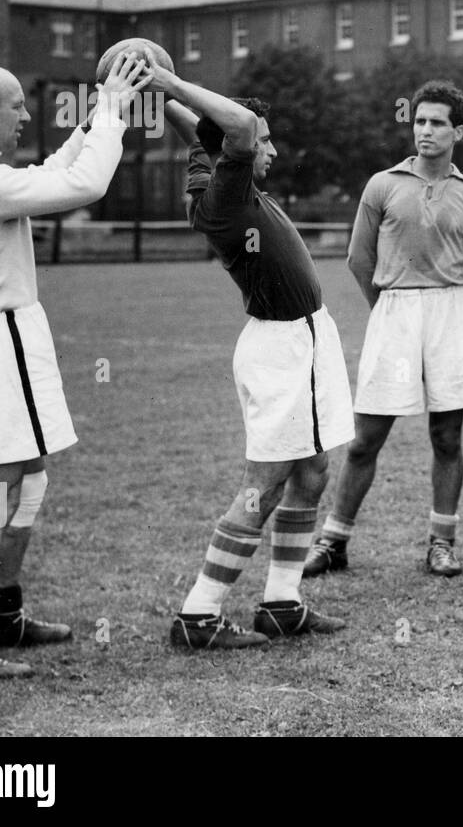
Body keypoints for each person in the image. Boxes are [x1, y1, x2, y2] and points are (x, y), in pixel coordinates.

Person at [0, 55, 150, 680]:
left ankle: (1, 613)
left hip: (3, 338)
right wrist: (109, 111)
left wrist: (100, 112)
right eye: (18, 105)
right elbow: (83, 187)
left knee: (29, 478)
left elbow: (53, 171)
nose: (27, 115)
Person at [150, 62, 353, 650]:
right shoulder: (225, 197)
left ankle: (282, 603)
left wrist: (155, 88)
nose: (271, 149)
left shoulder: (208, 165)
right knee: (261, 487)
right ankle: (199, 614)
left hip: (303, 343)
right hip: (281, 349)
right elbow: (234, 126)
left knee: (312, 472)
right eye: (264, 140)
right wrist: (171, 82)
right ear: (238, 148)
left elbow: (207, 130)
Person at [304, 80, 463, 578]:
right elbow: (358, 259)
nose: (426, 131)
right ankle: (333, 541)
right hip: (393, 313)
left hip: (451, 315)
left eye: (437, 123)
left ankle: (442, 543)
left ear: (459, 132)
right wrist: (389, 308)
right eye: (420, 122)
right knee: (366, 438)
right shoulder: (382, 184)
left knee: (447, 437)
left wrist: (445, 310)